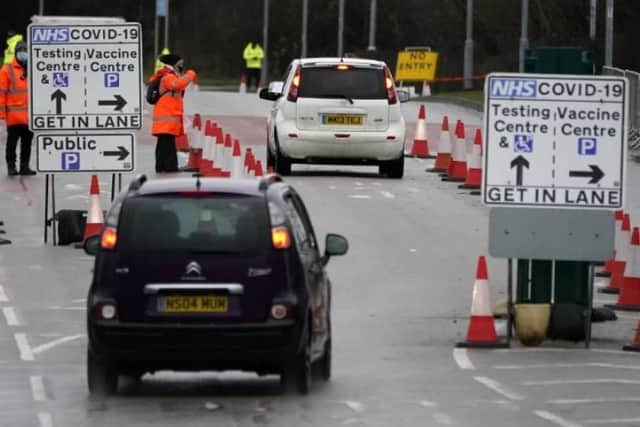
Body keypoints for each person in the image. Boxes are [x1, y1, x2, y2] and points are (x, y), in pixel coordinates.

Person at [149, 53, 197, 173]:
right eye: (180, 64)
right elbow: (178, 85)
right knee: (167, 144)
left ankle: (162, 167)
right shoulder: (168, 77)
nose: (182, 66)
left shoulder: (168, 75)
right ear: (174, 64)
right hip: (166, 116)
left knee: (164, 143)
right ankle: (170, 167)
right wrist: (190, 74)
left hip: (167, 115)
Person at [0, 41, 35, 176]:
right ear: (16, 53)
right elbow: (1, 93)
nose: (23, 53)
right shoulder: (6, 70)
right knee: (12, 143)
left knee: (27, 143)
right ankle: (11, 166)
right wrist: (2, 114)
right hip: (13, 116)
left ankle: (24, 166)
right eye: (21, 50)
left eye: (25, 50)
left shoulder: (33, 68)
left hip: (29, 116)